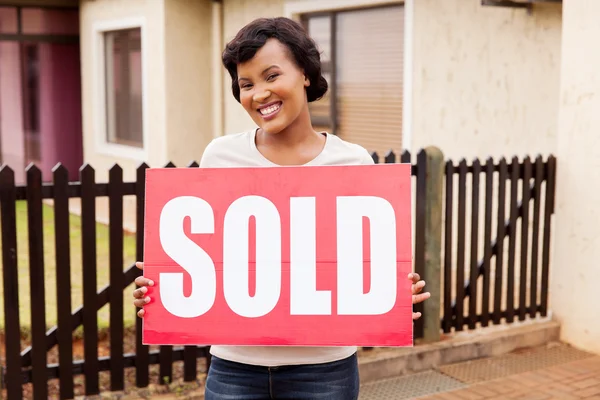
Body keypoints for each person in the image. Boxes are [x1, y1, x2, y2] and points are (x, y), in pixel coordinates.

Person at [132, 16, 430, 400]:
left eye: (272, 76)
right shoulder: (219, 156)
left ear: (305, 74)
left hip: (325, 370)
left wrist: (391, 293)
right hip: (234, 368)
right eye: (246, 84)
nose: (259, 94)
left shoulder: (352, 162)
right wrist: (161, 288)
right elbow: (208, 258)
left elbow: (362, 267)